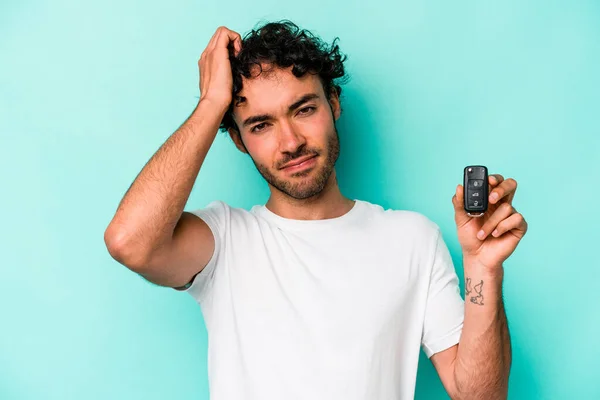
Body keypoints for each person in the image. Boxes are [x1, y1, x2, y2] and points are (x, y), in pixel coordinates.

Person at [104, 20, 528, 400]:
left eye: (303, 109)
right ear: (238, 140)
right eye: (260, 124)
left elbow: (481, 397)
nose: (290, 142)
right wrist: (212, 102)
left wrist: (483, 268)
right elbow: (130, 242)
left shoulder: (412, 239)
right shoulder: (223, 242)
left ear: (334, 103)